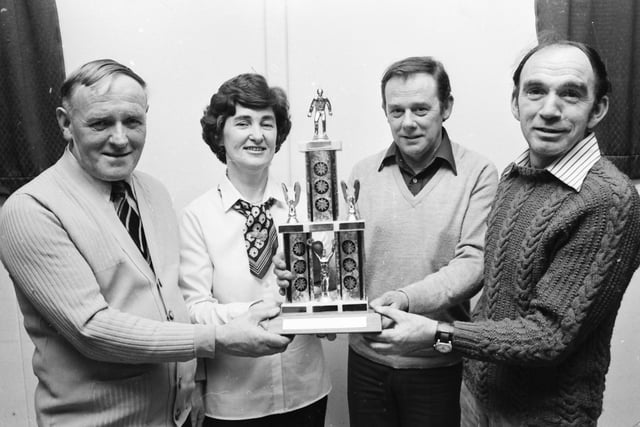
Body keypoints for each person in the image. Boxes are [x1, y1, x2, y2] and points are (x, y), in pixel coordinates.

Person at [0, 60, 291, 427]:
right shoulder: (31, 210)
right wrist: (219, 337)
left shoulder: (153, 193)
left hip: (176, 417)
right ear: (64, 123)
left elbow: (173, 302)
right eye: (100, 123)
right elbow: (92, 328)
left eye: (133, 122)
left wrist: (195, 380)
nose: (120, 139)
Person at [366, 40, 640, 426]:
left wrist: (435, 334)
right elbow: (495, 302)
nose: (549, 109)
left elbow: (548, 337)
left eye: (570, 94)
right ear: (516, 103)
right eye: (536, 91)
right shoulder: (516, 176)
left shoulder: (608, 200)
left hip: (542, 417)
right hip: (476, 402)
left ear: (598, 109)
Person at [276, 56, 499, 426]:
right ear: (384, 111)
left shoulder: (478, 173)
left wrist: (407, 298)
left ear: (447, 108)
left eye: (421, 109)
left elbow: (474, 263)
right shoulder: (363, 172)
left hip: (437, 364)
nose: (407, 122)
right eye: (396, 110)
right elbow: (342, 256)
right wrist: (308, 273)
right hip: (367, 362)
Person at [179, 73, 331, 427]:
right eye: (243, 122)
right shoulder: (197, 216)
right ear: (219, 133)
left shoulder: (309, 207)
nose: (258, 134)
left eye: (268, 123)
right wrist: (256, 311)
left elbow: (329, 284)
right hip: (235, 401)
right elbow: (195, 309)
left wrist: (319, 291)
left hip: (305, 389)